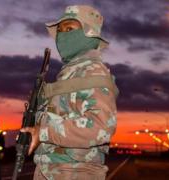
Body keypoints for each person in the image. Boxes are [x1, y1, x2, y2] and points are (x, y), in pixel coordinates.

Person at [20, 5, 119, 180]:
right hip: (52, 170)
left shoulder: (93, 71)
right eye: (60, 30)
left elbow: (100, 127)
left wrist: (42, 131)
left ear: (89, 33)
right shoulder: (70, 74)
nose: (62, 35)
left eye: (70, 28)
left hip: (75, 172)